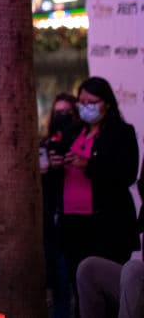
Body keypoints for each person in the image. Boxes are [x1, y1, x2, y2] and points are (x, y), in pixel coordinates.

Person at [58, 77, 139, 308]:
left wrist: (90, 164)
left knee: (108, 291)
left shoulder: (121, 132)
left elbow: (127, 173)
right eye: (81, 102)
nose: (85, 107)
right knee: (80, 288)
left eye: (91, 102)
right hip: (73, 225)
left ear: (107, 103)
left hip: (108, 226)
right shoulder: (72, 131)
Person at [42, 93, 80, 318]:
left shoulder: (82, 145)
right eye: (58, 112)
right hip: (51, 224)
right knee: (58, 283)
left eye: (67, 112)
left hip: (76, 223)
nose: (62, 117)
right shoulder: (47, 145)